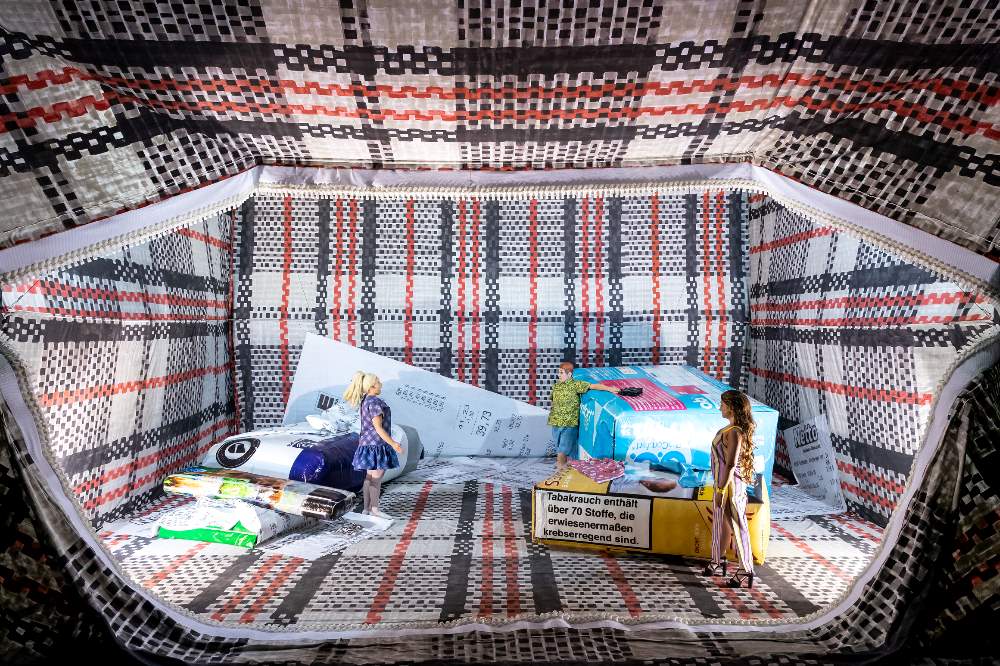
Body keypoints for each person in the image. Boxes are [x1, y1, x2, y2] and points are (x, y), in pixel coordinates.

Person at [703, 389, 756, 588]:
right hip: (724, 482)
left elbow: (731, 464)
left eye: (723, 404)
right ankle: (718, 558)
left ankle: (746, 568)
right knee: (723, 521)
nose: (720, 408)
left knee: (737, 524)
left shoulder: (734, 432)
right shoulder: (730, 429)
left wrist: (721, 490)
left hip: (730, 485)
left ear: (731, 407)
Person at [343, 371, 403, 518]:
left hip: (366, 443)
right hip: (377, 445)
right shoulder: (375, 402)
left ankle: (366, 509)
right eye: (378, 382)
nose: (381, 384)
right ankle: (374, 510)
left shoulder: (365, 400)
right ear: (371, 386)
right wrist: (394, 444)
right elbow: (378, 428)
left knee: (369, 478)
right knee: (376, 479)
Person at [548, 360, 620, 469]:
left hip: (569, 422)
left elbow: (593, 386)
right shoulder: (557, 386)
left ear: (569, 374)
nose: (559, 375)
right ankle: (564, 464)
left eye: (561, 373)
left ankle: (560, 466)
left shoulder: (575, 385)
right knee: (559, 445)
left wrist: (610, 389)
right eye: (559, 372)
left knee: (564, 446)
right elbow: (553, 400)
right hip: (556, 421)